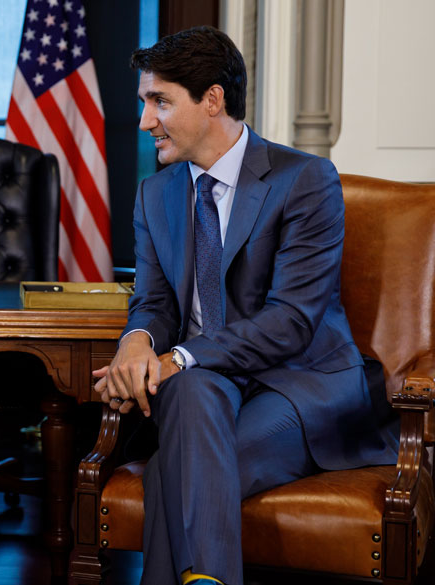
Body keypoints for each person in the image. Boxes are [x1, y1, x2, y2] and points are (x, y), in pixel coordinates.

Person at [93, 26, 398, 585]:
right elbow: (154, 302)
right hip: (201, 389)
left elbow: (291, 320)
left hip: (297, 384)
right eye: (144, 102)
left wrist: (178, 357)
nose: (144, 120)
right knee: (193, 393)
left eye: (160, 101)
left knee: (171, 471)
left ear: (212, 100)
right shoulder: (154, 194)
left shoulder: (305, 180)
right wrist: (136, 341)